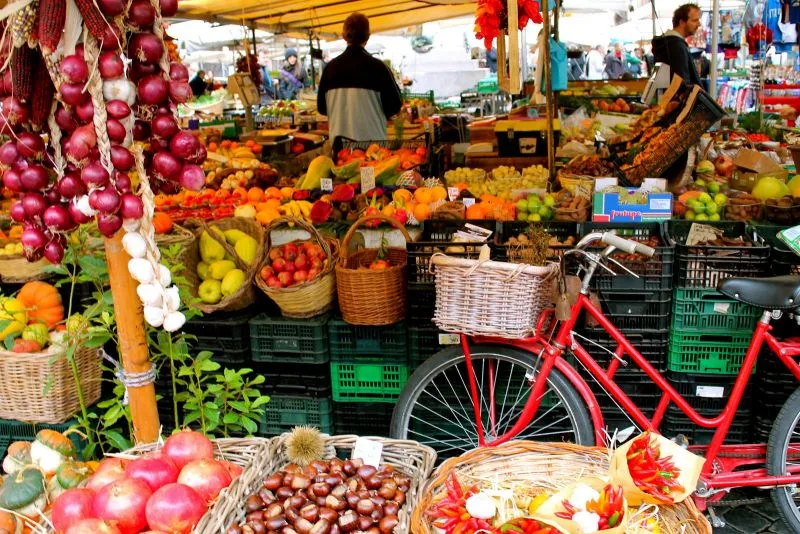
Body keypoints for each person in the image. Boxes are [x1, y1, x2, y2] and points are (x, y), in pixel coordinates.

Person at [317, 12, 402, 143]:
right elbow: (394, 106)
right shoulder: (379, 68)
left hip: (340, 151)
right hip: (373, 150)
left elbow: (322, 108)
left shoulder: (330, 69)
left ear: (344, 36)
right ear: (367, 36)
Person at [651, 4, 703, 86]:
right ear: (682, 22)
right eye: (695, 20)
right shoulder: (676, 46)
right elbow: (682, 84)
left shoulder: (666, 43)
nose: (699, 24)